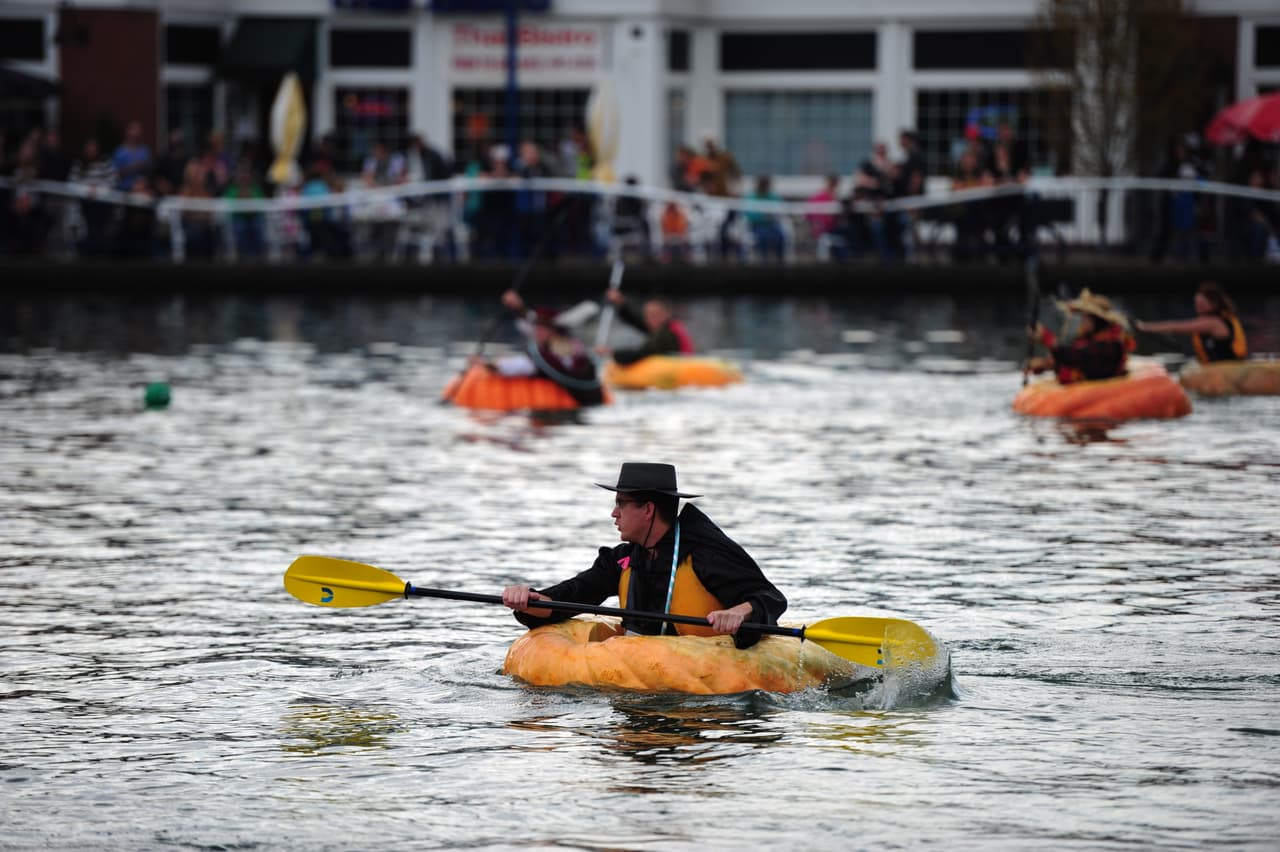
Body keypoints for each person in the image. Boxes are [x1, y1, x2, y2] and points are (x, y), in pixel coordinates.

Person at [501, 462, 787, 649]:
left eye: (621, 504)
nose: (614, 513)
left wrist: (739, 611)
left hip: (706, 679)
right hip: (645, 670)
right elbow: (573, 595)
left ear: (648, 510)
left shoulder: (706, 554)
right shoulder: (622, 559)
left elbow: (771, 598)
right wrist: (528, 600)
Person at [473, 289, 605, 406]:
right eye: (537, 328)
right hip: (587, 398)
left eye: (541, 328)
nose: (537, 331)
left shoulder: (564, 351)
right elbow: (527, 325)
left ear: (552, 330)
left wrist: (488, 366)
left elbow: (524, 365)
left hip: (580, 401)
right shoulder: (559, 342)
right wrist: (517, 307)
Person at [1026, 289, 1136, 384]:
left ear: (1097, 321)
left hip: (1103, 390)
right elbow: (1072, 354)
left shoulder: (1111, 345)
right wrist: (1045, 365)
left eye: (1086, 318)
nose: (1082, 321)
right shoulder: (1088, 338)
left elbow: (1078, 356)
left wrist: (1047, 339)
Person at [1135, 281, 1247, 363]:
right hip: (1218, 368)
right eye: (1197, 304)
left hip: (1226, 370)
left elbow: (1175, 327)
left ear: (1214, 303)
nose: (1198, 308)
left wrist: (1144, 327)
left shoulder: (1213, 322)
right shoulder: (1215, 319)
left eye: (1202, 305)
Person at [598, 292, 694, 365]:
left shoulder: (667, 335)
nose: (649, 319)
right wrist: (622, 304)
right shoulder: (661, 327)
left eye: (655, 315)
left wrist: (611, 353)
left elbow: (642, 354)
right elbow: (636, 321)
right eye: (647, 315)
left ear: (667, 314)